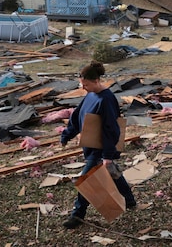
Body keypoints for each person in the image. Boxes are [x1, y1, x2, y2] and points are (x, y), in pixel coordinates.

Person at [61, 61, 136, 229]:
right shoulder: (90, 95)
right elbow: (77, 116)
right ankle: (129, 200)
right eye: (82, 84)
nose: (84, 88)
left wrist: (108, 155)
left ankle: (77, 215)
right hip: (91, 146)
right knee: (111, 172)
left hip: (100, 148)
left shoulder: (106, 99)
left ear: (96, 81)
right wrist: (67, 135)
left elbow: (112, 129)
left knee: (86, 181)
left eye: (86, 84)